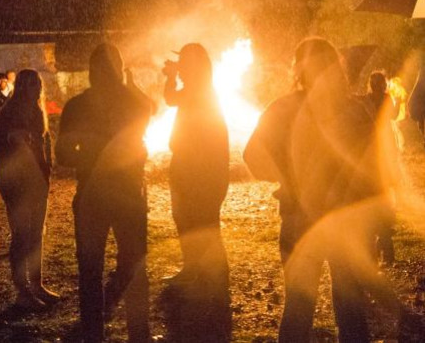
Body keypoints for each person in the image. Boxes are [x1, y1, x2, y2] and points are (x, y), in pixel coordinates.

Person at [244, 37, 400, 343]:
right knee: (351, 310)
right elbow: (374, 170)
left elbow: (252, 157)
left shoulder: (283, 109)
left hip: (300, 220)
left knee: (300, 309)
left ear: (299, 69)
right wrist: (383, 223)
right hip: (347, 222)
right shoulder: (356, 110)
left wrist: (287, 179)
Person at [56, 43, 153, 343]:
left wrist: (87, 152)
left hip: (94, 195)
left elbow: (62, 154)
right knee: (132, 265)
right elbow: (141, 141)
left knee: (92, 270)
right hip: (121, 193)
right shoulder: (133, 104)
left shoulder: (77, 106)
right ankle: (138, 333)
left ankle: (94, 335)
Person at [162, 43, 230, 299]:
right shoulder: (201, 89)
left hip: (197, 171)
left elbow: (170, 98)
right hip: (195, 169)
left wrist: (170, 78)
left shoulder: (197, 91)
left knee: (198, 222)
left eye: (183, 63)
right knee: (195, 221)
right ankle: (203, 274)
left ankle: (207, 276)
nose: (179, 67)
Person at [0, 69, 59, 310]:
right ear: (20, 87)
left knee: (35, 234)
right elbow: (5, 144)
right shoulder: (10, 112)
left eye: (36, 84)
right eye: (28, 84)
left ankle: (37, 284)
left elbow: (42, 145)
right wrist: (14, 138)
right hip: (19, 183)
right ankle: (23, 291)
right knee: (22, 235)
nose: (34, 89)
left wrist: (46, 172)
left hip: (37, 180)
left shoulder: (36, 110)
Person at [359, 71, 401, 265]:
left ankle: (377, 251)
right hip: (383, 149)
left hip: (371, 150)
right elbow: (393, 116)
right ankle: (385, 249)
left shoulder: (365, 100)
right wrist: (398, 101)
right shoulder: (386, 99)